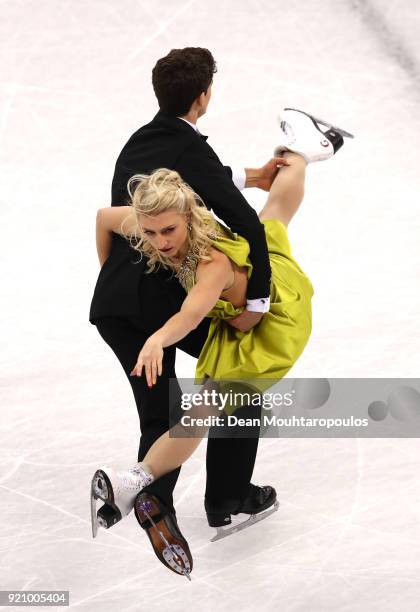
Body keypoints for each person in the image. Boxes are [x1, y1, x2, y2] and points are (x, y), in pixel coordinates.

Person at [91, 105, 352, 578]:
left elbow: (192, 314)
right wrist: (108, 268)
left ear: (188, 217)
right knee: (275, 214)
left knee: (203, 411)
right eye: (149, 233)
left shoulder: (211, 263)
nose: (160, 242)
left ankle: (139, 478)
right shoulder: (155, 225)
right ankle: (301, 154)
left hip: (268, 325)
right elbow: (107, 218)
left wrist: (156, 340)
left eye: (168, 231)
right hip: (235, 309)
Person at [89, 47, 291, 556]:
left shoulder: (140, 142)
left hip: (115, 305)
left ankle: (148, 500)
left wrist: (251, 176)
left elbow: (180, 186)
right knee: (239, 384)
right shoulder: (186, 147)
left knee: (159, 413)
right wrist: (260, 298)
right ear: (205, 95)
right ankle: (229, 497)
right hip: (170, 300)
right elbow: (245, 222)